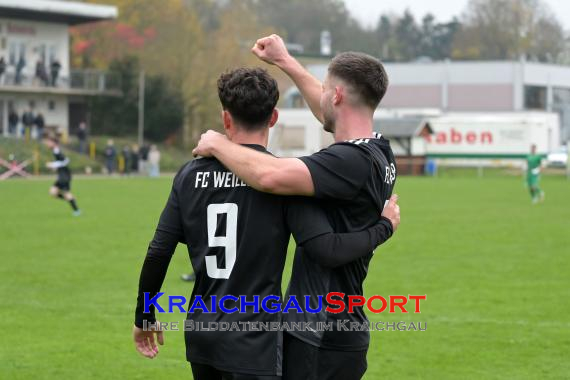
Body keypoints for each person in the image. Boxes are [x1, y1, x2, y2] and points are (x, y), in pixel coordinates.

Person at [133, 68, 401, 380]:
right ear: (273, 118)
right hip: (254, 343)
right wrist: (384, 227)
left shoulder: (188, 176)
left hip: (202, 335)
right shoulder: (283, 183)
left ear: (225, 119)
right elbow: (324, 247)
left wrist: (145, 315)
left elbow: (158, 252)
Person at [44, 135, 81, 216]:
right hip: (62, 175)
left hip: (64, 176)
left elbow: (65, 161)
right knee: (53, 192)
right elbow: (61, 162)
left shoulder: (57, 150)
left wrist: (52, 164)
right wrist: (55, 167)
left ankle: (76, 210)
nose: (47, 143)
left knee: (64, 193)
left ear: (54, 143)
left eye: (49, 142)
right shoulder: (55, 150)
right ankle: (71, 200)